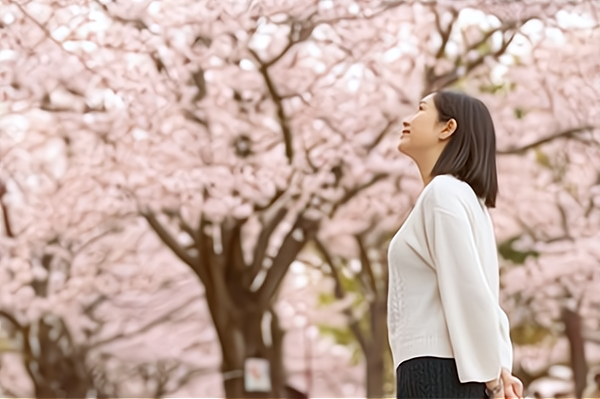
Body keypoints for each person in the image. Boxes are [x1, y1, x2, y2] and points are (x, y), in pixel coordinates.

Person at [387, 90, 524, 399]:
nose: (407, 120)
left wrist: (494, 376)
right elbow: (483, 295)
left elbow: (468, 290)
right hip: (453, 369)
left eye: (421, 110)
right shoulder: (463, 198)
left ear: (447, 127)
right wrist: (498, 366)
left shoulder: (443, 194)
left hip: (437, 372)